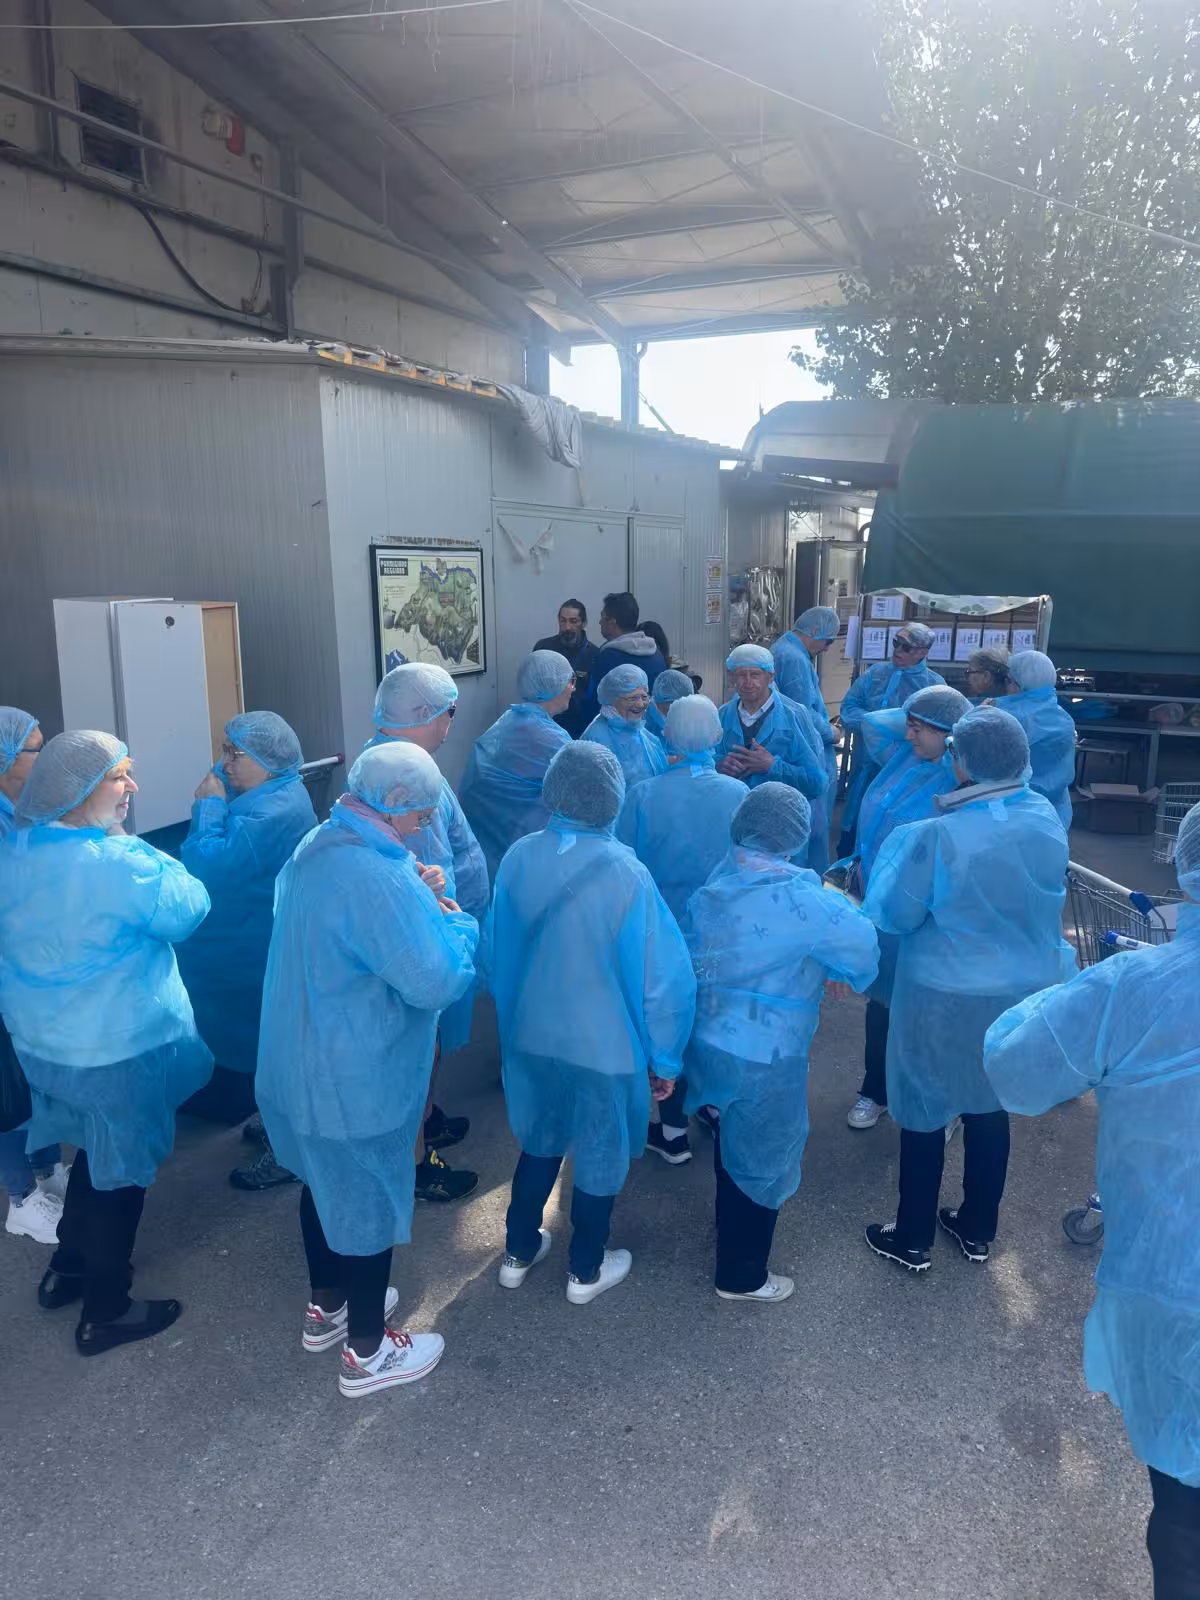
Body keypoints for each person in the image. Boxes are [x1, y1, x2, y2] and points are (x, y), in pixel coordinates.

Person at [984, 802, 1200, 1600]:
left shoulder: (1134, 988)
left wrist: (1058, 987)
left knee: (1184, 1504)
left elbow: (1018, 1066)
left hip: (1175, 1290)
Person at [256, 742, 478, 1398]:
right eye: (421, 815)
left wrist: (415, 890)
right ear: (400, 807)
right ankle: (368, 1354)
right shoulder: (377, 877)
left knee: (319, 1184)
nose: (423, 827)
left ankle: (327, 1309)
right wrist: (451, 916)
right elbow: (434, 979)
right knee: (367, 1205)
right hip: (355, 1072)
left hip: (297, 1060)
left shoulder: (319, 845)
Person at [0, 732, 212, 1354]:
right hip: (115, 1049)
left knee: (95, 1149)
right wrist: (133, 845)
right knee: (122, 1173)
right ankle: (106, 1308)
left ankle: (66, 1268)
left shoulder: (20, 849)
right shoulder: (117, 863)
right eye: (122, 777)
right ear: (85, 788)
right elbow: (190, 908)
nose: (133, 789)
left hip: (44, 1046)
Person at [859, 708, 1075, 1272]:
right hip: (1018, 989)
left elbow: (898, 916)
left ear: (961, 761)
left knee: (927, 1108)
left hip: (942, 992)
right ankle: (978, 1227)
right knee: (989, 1104)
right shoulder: (1044, 818)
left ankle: (911, 1237)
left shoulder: (938, 835)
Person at [488, 742, 695, 1304]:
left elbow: (497, 949)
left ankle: (517, 1250)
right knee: (599, 1151)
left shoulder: (518, 857)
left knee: (541, 1139)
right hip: (603, 1041)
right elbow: (663, 979)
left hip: (533, 1029)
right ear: (612, 797)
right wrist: (666, 1058)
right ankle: (585, 1267)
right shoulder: (626, 870)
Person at [684, 785, 878, 1301]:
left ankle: (730, 1232)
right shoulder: (807, 902)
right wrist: (834, 965)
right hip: (767, 1055)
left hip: (708, 1038)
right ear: (796, 835)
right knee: (764, 1157)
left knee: (730, 1140)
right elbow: (862, 948)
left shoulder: (719, 881)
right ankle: (741, 1275)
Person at [173, 712, 318, 1191]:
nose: (224, 763)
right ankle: (277, 1124)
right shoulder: (270, 795)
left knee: (275, 1052)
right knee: (266, 1048)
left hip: (258, 952)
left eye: (236, 754)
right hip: (253, 948)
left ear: (268, 761)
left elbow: (207, 867)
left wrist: (208, 808)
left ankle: (289, 1151)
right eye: (225, 749)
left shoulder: (268, 812)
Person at [372, 663, 487, 1201]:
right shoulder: (403, 780)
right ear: (426, 715)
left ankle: (426, 1119)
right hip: (422, 942)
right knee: (416, 1047)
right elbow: (420, 870)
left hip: (434, 932)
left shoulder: (404, 766)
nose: (451, 724)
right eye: (448, 713)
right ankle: (419, 1162)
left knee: (429, 1044)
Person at [616, 694, 747, 1164]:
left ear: (666, 734)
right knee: (713, 1020)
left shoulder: (643, 795)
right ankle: (711, 1104)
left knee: (666, 1024)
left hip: (658, 933)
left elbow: (620, 867)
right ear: (717, 736)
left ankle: (670, 1129)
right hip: (721, 934)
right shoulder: (738, 795)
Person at [843, 684, 972, 1131]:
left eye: (919, 728)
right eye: (909, 725)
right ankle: (874, 1090)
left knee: (931, 1013)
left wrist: (952, 726)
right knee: (881, 1004)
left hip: (928, 917)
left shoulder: (960, 783)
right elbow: (877, 725)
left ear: (951, 736)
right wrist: (920, 716)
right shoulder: (903, 758)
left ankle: (941, 1097)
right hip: (884, 906)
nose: (909, 734)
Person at [0, 707, 70, 1245]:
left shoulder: (21, 809)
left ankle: (46, 1169)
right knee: (8, 1088)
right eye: (35, 748)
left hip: (27, 971)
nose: (44, 758)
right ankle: (21, 1197)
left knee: (34, 1077)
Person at [459, 650, 573, 882]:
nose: (573, 688)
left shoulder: (508, 721)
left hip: (490, 848)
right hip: (525, 849)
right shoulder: (549, 738)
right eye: (570, 681)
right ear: (553, 685)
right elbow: (582, 789)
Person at [715, 644, 828, 871]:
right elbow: (708, 760)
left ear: (771, 676)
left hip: (781, 830)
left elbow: (817, 782)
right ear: (731, 678)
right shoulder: (723, 715)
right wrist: (719, 765)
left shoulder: (794, 716)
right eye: (741, 675)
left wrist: (772, 766)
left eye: (755, 674)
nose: (748, 682)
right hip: (735, 826)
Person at [837, 622, 945, 855]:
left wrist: (892, 736)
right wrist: (874, 725)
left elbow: (942, 728)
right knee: (856, 826)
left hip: (910, 768)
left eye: (907, 647)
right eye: (896, 643)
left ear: (923, 652)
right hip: (866, 765)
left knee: (896, 831)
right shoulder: (876, 674)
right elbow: (849, 707)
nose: (898, 651)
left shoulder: (934, 686)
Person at [771, 606, 843, 870]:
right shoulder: (793, 658)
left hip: (804, 743)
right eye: (828, 640)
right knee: (810, 824)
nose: (827, 648)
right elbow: (801, 710)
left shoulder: (788, 651)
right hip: (807, 745)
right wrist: (831, 732)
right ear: (815, 630)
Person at [996, 650, 1076, 831]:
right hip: (1054, 813)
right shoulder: (1064, 718)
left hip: (1011, 812)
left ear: (1017, 684)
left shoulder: (1007, 718)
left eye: (1007, 681)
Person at [582, 665, 669, 788]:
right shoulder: (595, 739)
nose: (640, 704)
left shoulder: (639, 731)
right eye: (632, 698)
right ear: (613, 699)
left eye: (644, 697)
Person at [584, 591, 668, 718]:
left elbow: (594, 703)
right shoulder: (657, 655)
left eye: (602, 616)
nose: (600, 622)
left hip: (614, 733)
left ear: (612, 623)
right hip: (649, 732)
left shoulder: (608, 657)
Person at [533, 599, 598, 739]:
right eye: (563, 621)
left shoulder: (594, 655)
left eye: (573, 621)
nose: (567, 627)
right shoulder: (543, 649)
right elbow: (532, 687)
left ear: (584, 623)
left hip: (580, 732)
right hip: (545, 728)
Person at [645, 668, 695, 742]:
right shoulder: (644, 723)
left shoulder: (680, 721)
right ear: (661, 702)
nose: (679, 713)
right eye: (673, 707)